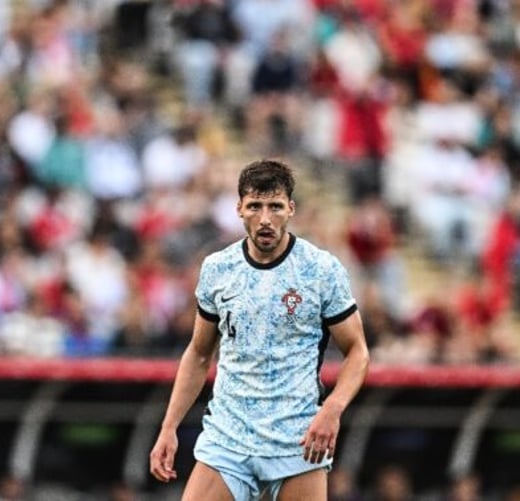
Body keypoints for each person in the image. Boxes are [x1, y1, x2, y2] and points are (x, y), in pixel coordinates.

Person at [149, 159, 370, 500]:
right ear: (239, 209)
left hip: (297, 440)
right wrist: (168, 427)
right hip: (229, 437)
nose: (265, 219)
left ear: (291, 209)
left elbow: (357, 351)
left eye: (275, 207)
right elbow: (198, 352)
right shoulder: (218, 269)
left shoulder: (321, 270)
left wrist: (333, 408)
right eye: (255, 206)